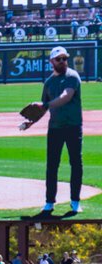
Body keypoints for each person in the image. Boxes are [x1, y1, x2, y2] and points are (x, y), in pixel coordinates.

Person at [24, 46, 84, 219]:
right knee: (52, 166)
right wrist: (30, 122)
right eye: (59, 59)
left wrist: (47, 105)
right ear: (52, 62)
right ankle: (49, 202)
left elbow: (66, 96)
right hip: (55, 128)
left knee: (76, 164)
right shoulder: (49, 83)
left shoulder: (72, 76)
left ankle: (75, 202)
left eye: (65, 58)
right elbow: (42, 107)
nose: (63, 61)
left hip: (73, 127)